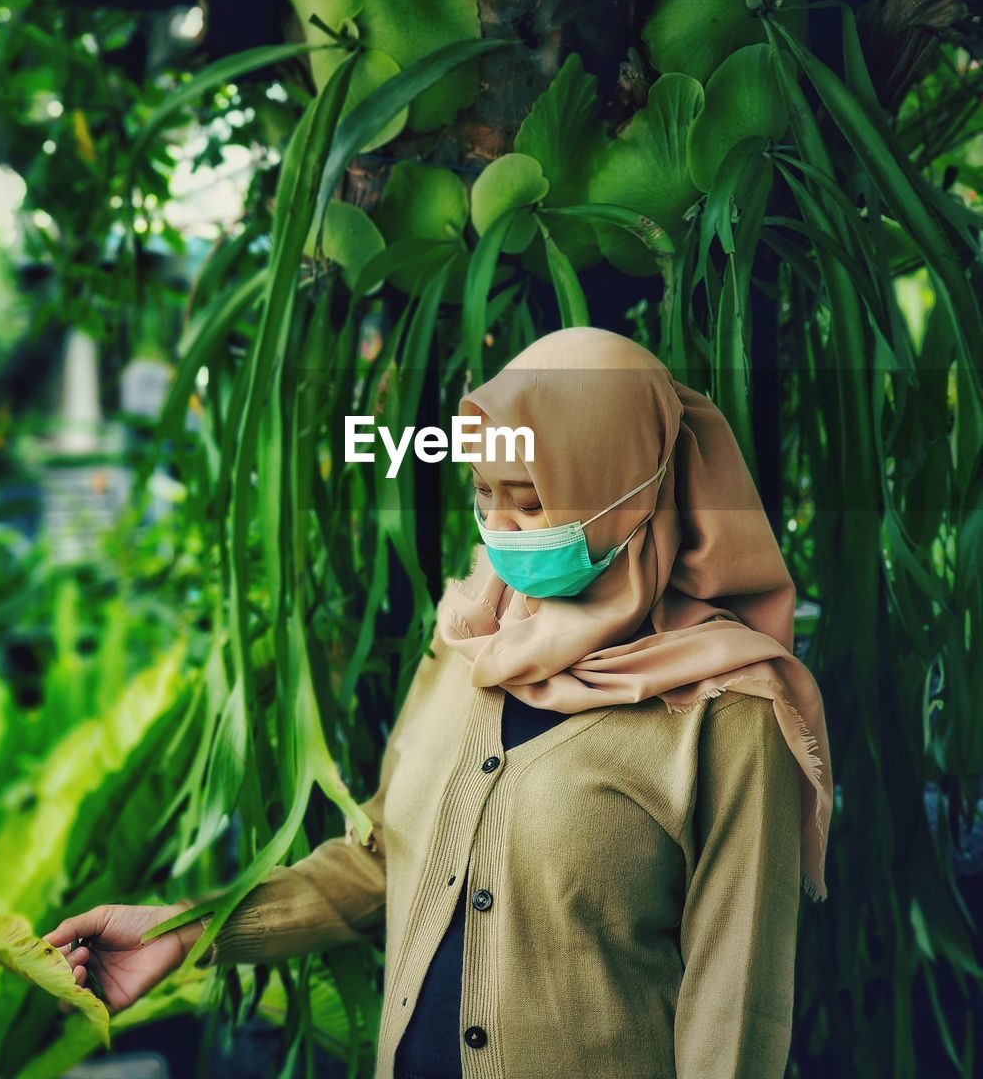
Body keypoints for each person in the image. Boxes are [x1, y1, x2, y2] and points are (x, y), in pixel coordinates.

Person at [44, 327, 833, 1078]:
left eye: (530, 500)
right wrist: (188, 930)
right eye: (484, 494)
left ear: (629, 487)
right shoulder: (469, 646)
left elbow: (735, 1005)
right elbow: (384, 861)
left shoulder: (728, 715)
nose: (501, 528)